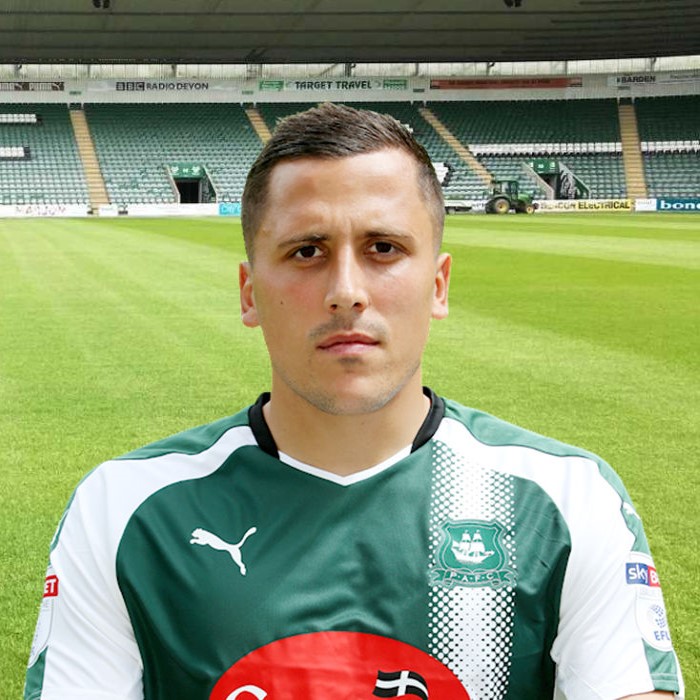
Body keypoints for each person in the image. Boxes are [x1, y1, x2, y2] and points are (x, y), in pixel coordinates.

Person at [25, 103, 683, 700]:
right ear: (250, 293)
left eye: (383, 248)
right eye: (307, 251)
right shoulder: (126, 510)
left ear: (438, 285)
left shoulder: (564, 500)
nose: (346, 291)